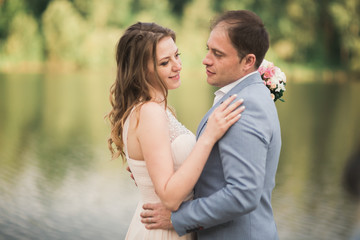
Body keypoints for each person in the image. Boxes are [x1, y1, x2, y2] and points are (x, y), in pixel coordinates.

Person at [140, 10, 282, 240]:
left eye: (217, 54)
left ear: (248, 61)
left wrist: (179, 218)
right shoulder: (247, 94)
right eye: (208, 49)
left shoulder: (245, 107)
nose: (206, 59)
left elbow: (243, 194)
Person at [106, 22, 245, 239]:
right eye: (165, 62)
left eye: (176, 56)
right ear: (141, 70)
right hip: (162, 231)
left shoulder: (154, 109)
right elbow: (170, 198)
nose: (177, 66)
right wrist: (208, 136)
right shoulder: (150, 112)